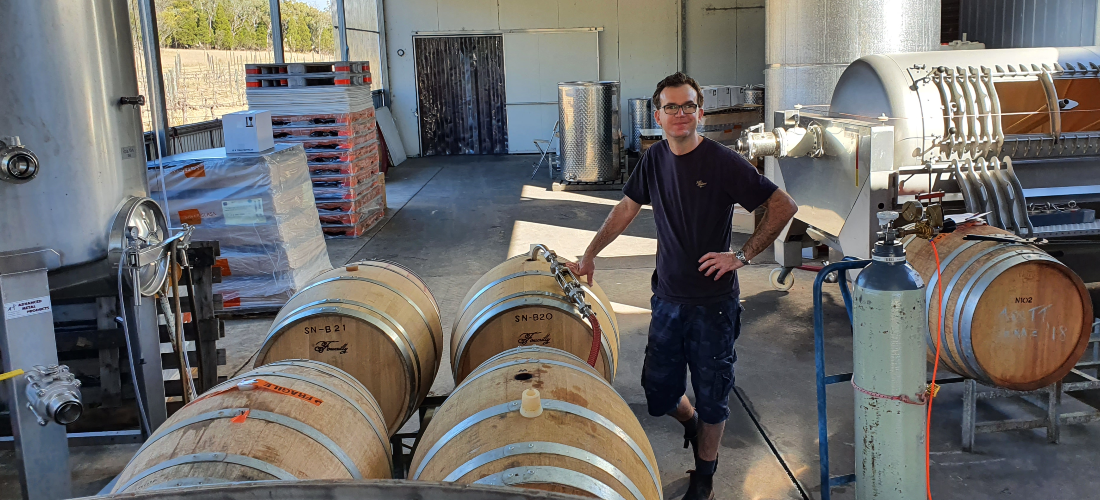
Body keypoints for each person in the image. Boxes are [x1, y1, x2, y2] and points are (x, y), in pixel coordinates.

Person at [566, 72, 798, 500]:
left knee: (714, 397)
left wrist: (742, 256)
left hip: (714, 304)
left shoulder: (723, 162)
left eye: (687, 105)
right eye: (671, 107)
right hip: (668, 299)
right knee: (660, 391)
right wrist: (590, 253)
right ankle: (690, 424)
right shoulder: (653, 160)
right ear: (658, 114)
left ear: (700, 112)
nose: (679, 113)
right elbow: (625, 208)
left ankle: (705, 475)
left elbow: (783, 205)